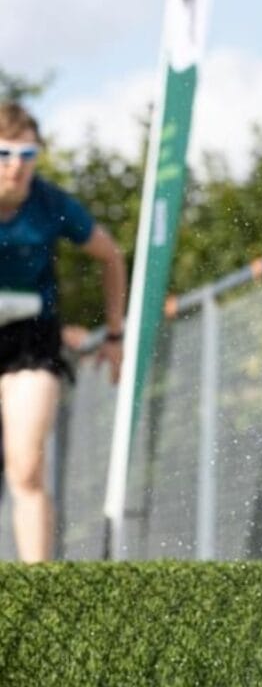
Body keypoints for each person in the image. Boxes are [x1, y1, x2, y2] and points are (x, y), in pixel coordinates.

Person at [0, 101, 127, 562]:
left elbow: (110, 256)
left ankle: (37, 586)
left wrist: (114, 334)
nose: (16, 166)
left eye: (27, 155)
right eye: (4, 154)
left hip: (31, 343)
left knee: (26, 466)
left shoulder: (50, 204)